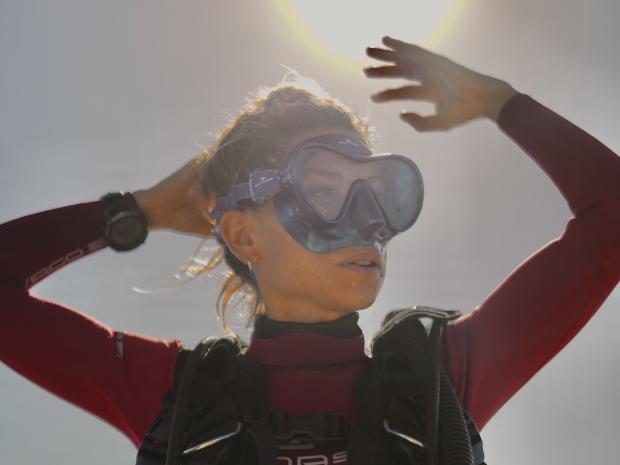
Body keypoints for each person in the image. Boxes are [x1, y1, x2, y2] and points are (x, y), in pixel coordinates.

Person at [1, 36, 619, 465]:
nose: (367, 222)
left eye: (380, 193)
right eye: (326, 189)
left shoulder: (436, 386)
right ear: (244, 235)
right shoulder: (177, 394)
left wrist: (498, 102)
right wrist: (138, 213)